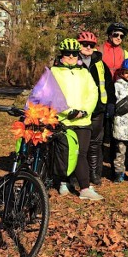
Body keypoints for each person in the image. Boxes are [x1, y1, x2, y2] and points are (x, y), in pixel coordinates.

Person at [50, 38, 102, 200]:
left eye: (74, 53)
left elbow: (93, 92)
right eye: (67, 54)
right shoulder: (54, 72)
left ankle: (84, 188)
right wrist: (67, 112)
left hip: (83, 121)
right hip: (64, 120)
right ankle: (64, 182)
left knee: (81, 153)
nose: (71, 56)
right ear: (62, 55)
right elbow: (51, 95)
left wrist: (85, 111)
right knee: (65, 153)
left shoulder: (84, 72)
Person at [77, 31, 116, 186]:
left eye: (91, 45)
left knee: (95, 144)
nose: (88, 47)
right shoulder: (72, 61)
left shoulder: (100, 63)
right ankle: (77, 174)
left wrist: (111, 103)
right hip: (78, 111)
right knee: (79, 144)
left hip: (97, 110)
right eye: (84, 44)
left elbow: (108, 85)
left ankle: (94, 173)